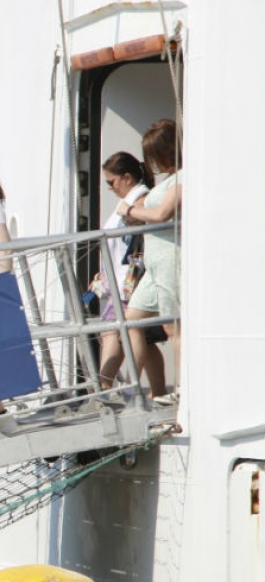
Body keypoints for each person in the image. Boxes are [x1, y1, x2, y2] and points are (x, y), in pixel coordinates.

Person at [117, 119, 182, 395]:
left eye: (154, 156)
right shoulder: (168, 181)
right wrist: (136, 213)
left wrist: (130, 212)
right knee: (132, 318)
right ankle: (136, 386)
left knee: (173, 326)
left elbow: (161, 214)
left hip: (170, 257)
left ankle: (182, 389)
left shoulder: (183, 178)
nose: (153, 164)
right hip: (153, 262)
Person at [92, 152, 166, 395]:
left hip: (129, 279)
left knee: (115, 333)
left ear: (126, 177)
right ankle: (158, 392)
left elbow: (137, 241)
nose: (110, 188)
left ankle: (104, 388)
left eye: (111, 182)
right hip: (118, 277)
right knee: (142, 338)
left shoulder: (140, 201)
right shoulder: (127, 201)